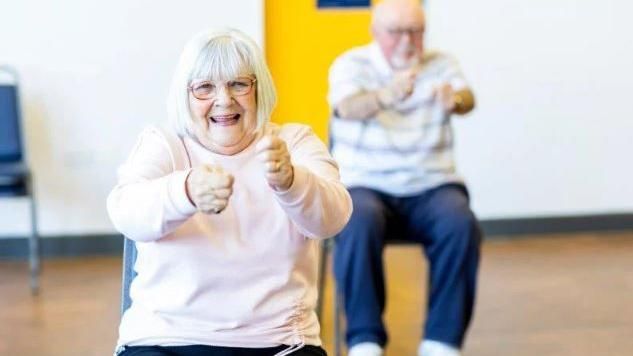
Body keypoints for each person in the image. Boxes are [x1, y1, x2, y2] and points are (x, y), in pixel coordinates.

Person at [107, 28, 352, 356]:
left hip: (279, 342)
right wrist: (187, 190)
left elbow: (333, 219)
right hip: (167, 340)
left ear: (258, 88)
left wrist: (291, 182)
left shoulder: (293, 143)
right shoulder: (165, 145)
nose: (224, 100)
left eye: (238, 84)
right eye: (205, 87)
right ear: (186, 96)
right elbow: (127, 212)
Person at [327, 1, 481, 356]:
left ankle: (441, 342)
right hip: (366, 183)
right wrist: (386, 95)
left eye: (416, 31)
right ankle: (364, 341)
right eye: (396, 32)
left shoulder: (441, 63)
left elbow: (468, 98)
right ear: (375, 32)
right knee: (354, 219)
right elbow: (346, 107)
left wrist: (455, 99)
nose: (407, 41)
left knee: (461, 223)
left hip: (432, 184)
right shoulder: (352, 64)